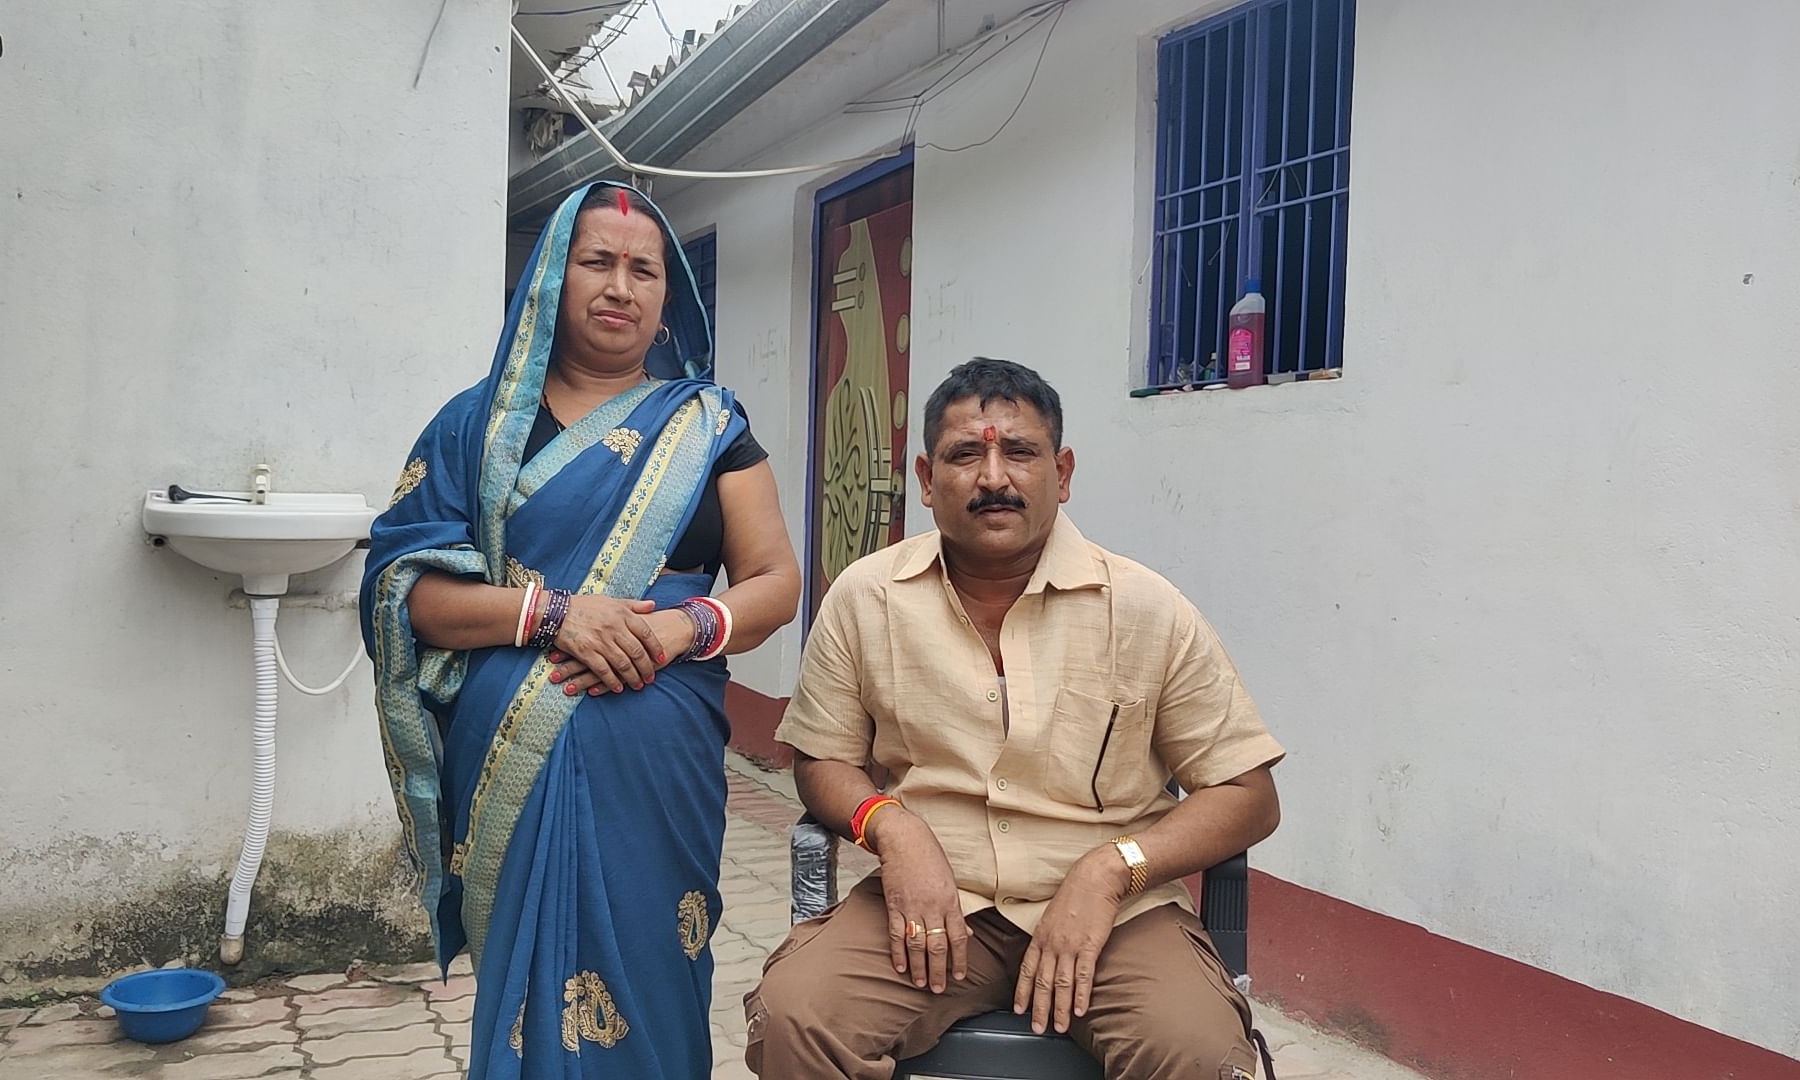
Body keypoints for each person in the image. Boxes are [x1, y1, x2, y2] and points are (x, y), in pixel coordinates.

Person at [361, 181, 800, 1080]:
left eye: (644, 269)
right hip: (510, 757)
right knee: (526, 987)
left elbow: (776, 582)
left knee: (657, 963)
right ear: (553, 278)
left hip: (662, 760)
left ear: (666, 296)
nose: (620, 286)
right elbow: (408, 592)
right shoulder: (473, 428)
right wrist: (556, 612)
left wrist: (681, 628)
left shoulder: (709, 427)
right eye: (597, 262)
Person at [745, 358, 1285, 1080]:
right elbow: (821, 759)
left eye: (1019, 453)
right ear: (927, 479)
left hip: (1117, 917)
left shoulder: (1145, 608)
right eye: (966, 454)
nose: (994, 477)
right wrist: (893, 828)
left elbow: (1248, 794)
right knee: (797, 1016)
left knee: (1197, 1052)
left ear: (1061, 474)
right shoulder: (866, 598)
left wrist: (1110, 871)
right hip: (934, 905)